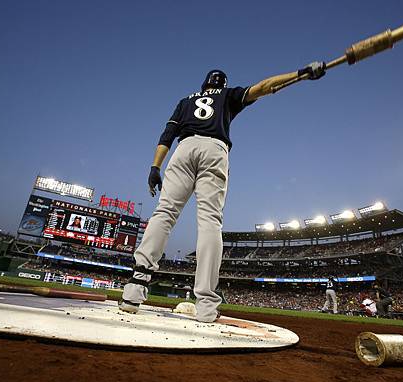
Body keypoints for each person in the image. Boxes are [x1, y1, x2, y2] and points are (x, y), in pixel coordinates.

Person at [120, 63, 327, 322]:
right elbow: (265, 87)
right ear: (223, 85)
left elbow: (166, 137)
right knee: (210, 221)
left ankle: (134, 289)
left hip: (184, 149)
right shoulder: (228, 95)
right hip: (214, 150)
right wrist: (300, 74)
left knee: (164, 213)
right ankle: (206, 305)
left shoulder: (185, 101)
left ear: (204, 85)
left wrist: (155, 167)